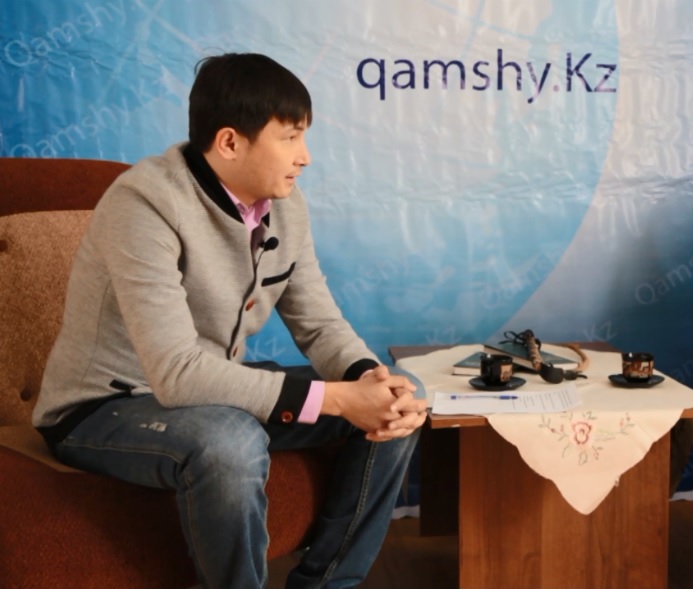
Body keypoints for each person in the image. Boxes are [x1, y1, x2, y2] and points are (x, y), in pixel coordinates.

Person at [31, 52, 428, 589]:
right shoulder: (143, 204)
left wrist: (366, 379)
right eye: (290, 137)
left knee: (400, 396)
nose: (305, 156)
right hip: (104, 407)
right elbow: (177, 373)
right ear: (229, 143)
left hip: (210, 393)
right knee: (230, 440)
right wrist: (337, 399)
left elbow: (319, 323)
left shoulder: (285, 204)